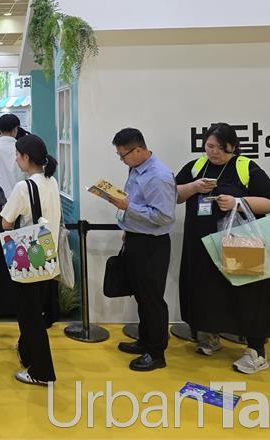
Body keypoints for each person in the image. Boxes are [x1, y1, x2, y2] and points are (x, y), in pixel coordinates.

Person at [175, 122, 270, 374]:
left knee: (248, 294)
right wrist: (193, 187)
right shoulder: (196, 166)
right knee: (206, 291)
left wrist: (238, 202)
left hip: (240, 245)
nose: (214, 152)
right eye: (210, 146)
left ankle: (256, 351)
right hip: (202, 246)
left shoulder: (246, 167)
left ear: (233, 146)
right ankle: (210, 336)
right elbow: (175, 195)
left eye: (221, 148)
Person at [109, 128, 176, 372]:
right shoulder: (136, 169)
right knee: (141, 295)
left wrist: (128, 207)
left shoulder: (158, 176)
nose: (121, 159)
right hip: (136, 238)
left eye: (123, 155)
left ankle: (156, 353)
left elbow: (164, 216)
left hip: (152, 245)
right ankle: (145, 341)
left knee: (152, 299)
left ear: (138, 150)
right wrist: (128, 223)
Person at [0, 134, 61, 385]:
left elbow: (6, 222)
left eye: (17, 155)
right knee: (35, 312)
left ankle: (42, 372)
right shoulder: (51, 181)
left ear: (26, 157)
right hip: (47, 253)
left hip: (28, 258)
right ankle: (27, 353)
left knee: (30, 317)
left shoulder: (23, 187)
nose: (16, 160)